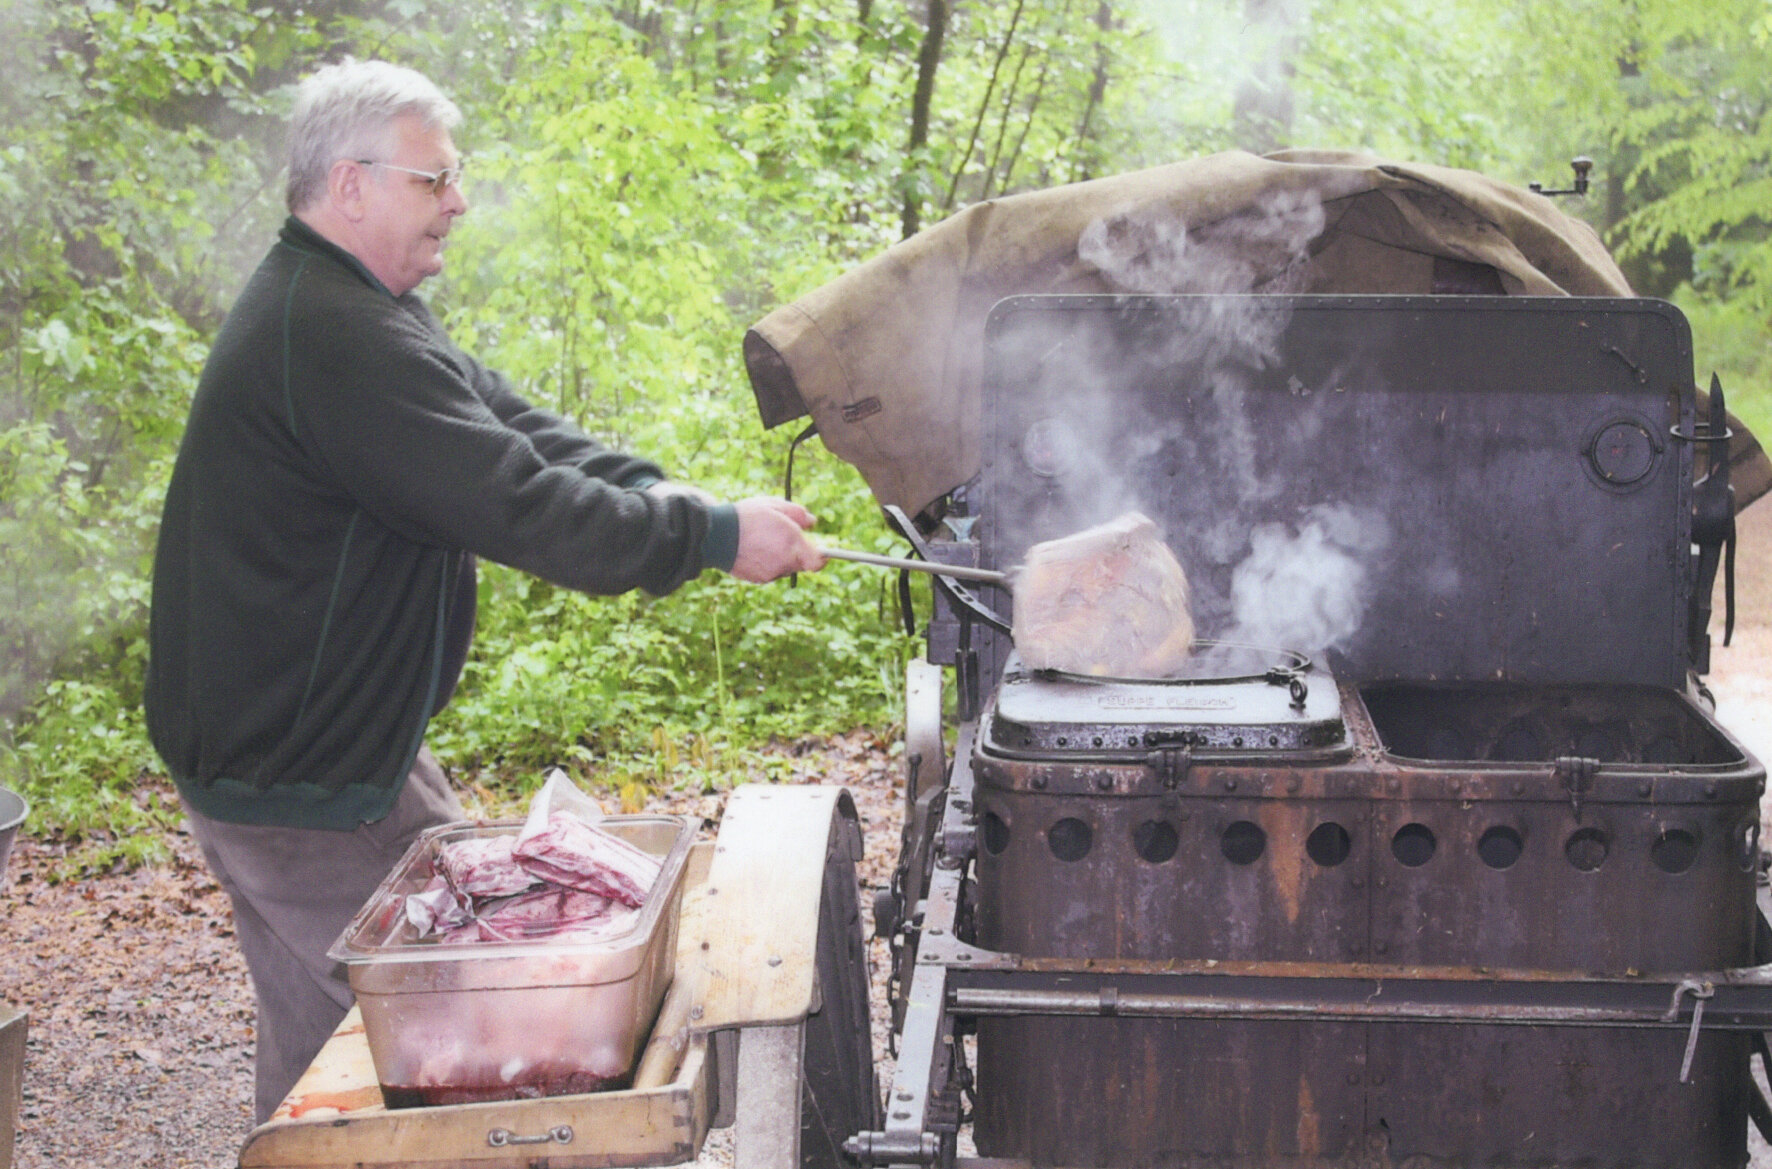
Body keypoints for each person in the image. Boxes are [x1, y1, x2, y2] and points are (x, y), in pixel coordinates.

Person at [143, 58, 826, 1123]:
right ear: (349, 184)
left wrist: (672, 495)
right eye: (435, 180)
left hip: (302, 746)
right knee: (467, 1047)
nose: (458, 200)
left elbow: (508, 424)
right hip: (306, 774)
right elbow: (518, 503)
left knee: (326, 1064)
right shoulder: (332, 336)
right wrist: (708, 537)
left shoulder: (356, 308)